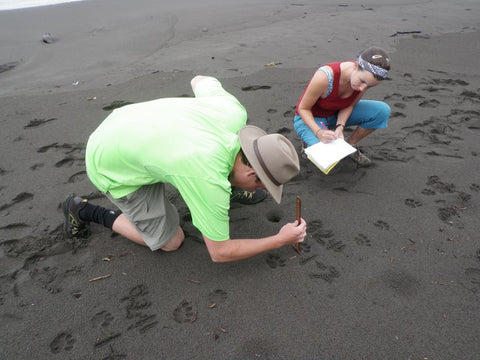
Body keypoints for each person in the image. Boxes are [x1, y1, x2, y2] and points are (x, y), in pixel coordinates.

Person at [63, 76, 307, 262]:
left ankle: (224, 184)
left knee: (185, 168)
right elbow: (220, 252)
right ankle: (84, 210)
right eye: (258, 184)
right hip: (109, 160)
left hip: (128, 122)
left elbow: (201, 80)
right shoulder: (207, 177)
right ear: (251, 172)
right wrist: (279, 240)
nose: (255, 191)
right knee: (171, 241)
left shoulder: (233, 111)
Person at [293, 47, 392, 167]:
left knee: (382, 111)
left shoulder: (362, 82)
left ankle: (348, 145)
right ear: (355, 66)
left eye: (369, 86)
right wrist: (318, 132)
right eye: (362, 81)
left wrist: (340, 127)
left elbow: (349, 104)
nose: (362, 89)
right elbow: (303, 109)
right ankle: (307, 142)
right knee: (327, 158)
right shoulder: (325, 76)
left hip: (335, 113)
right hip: (311, 117)